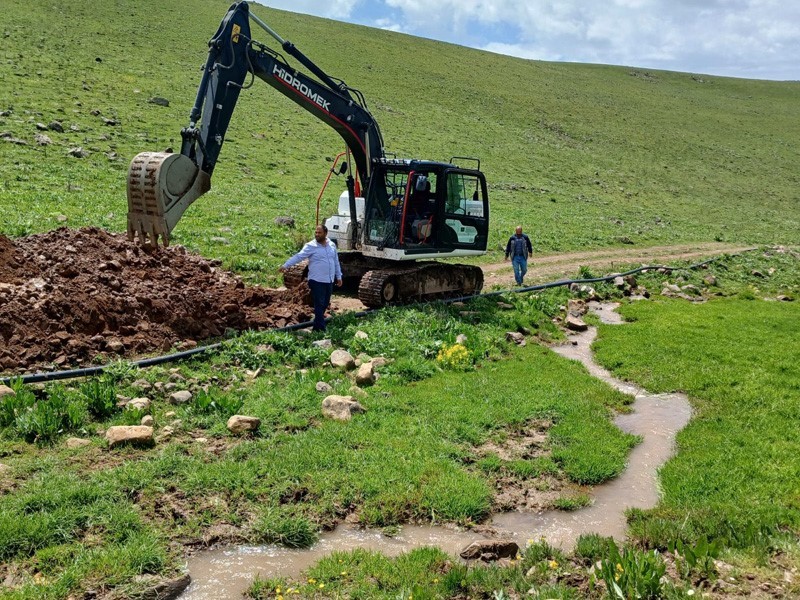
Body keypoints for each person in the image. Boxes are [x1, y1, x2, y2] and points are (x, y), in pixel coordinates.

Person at [280, 224, 342, 331]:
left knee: (325, 303)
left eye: (319, 233)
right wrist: (286, 265)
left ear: (326, 233)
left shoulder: (331, 245)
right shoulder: (310, 246)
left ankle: (316, 325)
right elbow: (299, 256)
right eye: (316, 232)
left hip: (329, 280)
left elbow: (335, 261)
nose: (317, 235)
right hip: (316, 280)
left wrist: (339, 276)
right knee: (319, 303)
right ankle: (320, 329)